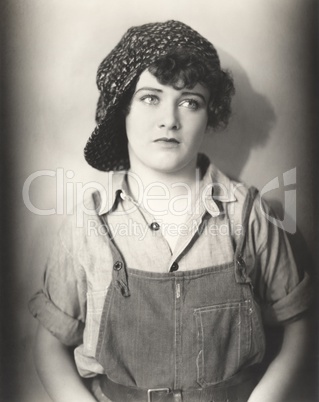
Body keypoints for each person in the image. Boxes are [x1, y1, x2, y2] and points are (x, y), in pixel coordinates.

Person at [29, 20, 313, 402]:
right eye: (150, 98)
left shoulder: (249, 215)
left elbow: (298, 325)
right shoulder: (89, 223)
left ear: (209, 114)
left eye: (189, 101)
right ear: (122, 110)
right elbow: (49, 343)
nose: (169, 119)